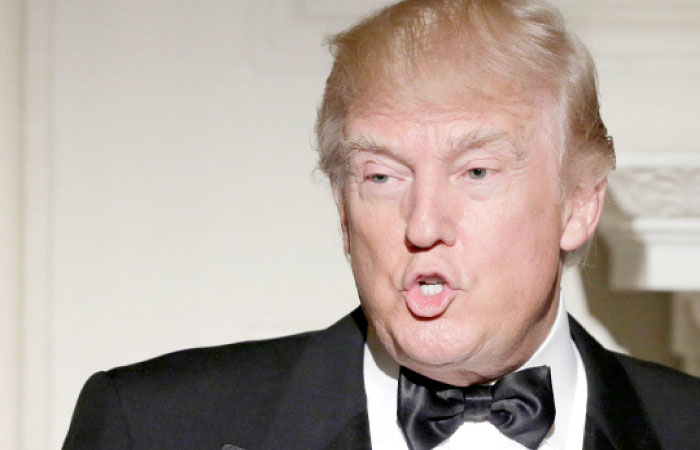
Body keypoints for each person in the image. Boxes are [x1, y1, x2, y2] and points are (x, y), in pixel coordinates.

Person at [63, 1, 700, 449]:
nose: (423, 225)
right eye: (382, 177)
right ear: (344, 214)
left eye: (476, 172)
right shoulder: (151, 427)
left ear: (580, 205)